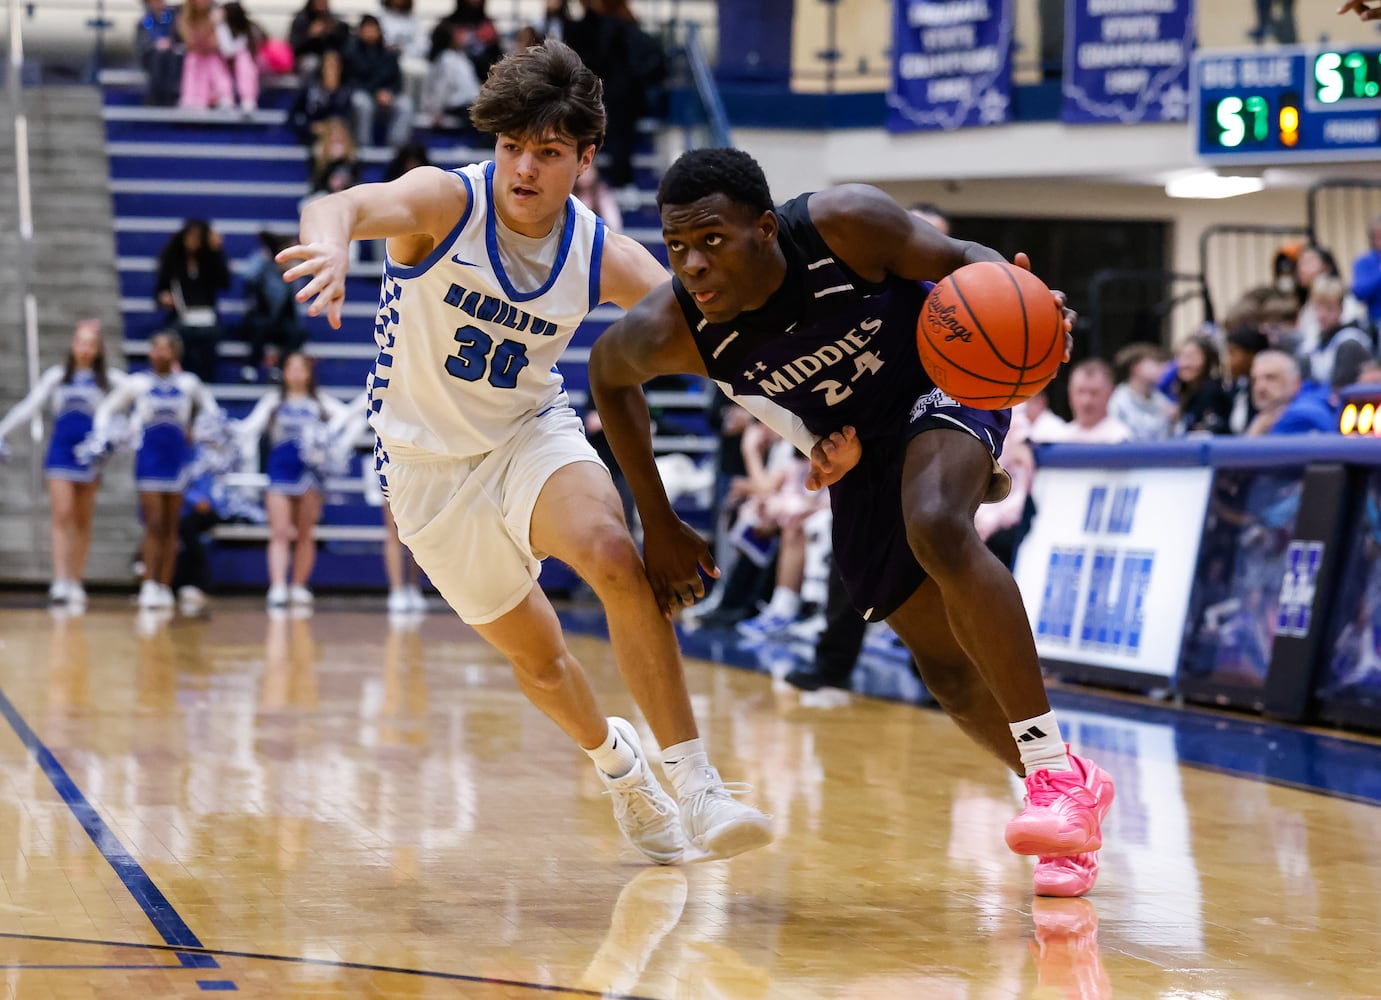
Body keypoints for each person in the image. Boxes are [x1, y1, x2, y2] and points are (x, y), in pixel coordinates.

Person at [275, 40, 775, 864]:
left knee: (614, 555)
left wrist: (803, 418)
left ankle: (699, 787)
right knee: (542, 666)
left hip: (527, 436)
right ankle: (619, 766)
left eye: (547, 153)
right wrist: (330, 244)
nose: (524, 169)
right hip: (426, 473)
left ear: (584, 158)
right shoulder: (444, 201)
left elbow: (721, 338)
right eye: (512, 148)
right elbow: (345, 206)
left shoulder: (599, 253)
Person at [587, 146, 1116, 897]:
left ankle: (1052, 777)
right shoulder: (673, 326)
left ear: (765, 229)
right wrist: (658, 520)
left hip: (944, 380)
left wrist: (1023, 297)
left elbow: (966, 257)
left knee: (934, 523)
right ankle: (1070, 787)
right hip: (860, 453)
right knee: (947, 675)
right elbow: (606, 377)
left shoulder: (843, 224)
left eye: (711, 241)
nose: (692, 264)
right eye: (676, 248)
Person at [86, 331, 223, 610]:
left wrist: (200, 431)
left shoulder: (188, 383)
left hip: (178, 460)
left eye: (166, 348)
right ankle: (149, 583)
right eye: (156, 347)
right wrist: (108, 435)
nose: (160, 352)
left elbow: (213, 411)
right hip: (149, 459)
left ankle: (164, 585)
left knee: (172, 525)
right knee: (154, 522)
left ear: (176, 354)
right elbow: (106, 409)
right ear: (149, 353)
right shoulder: (137, 383)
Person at [0, 320, 125, 609]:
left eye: (90, 344)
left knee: (83, 521)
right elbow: (29, 406)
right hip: (59, 454)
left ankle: (75, 580)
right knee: (62, 515)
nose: (84, 348)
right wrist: (3, 428)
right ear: (72, 345)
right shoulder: (57, 377)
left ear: (98, 350)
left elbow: (137, 390)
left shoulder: (108, 380)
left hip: (90, 457)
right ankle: (59, 580)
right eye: (80, 342)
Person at [236, 352, 351, 608]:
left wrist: (328, 439)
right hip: (279, 471)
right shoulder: (273, 401)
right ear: (284, 373)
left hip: (309, 473)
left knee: (304, 533)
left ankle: (299, 585)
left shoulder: (319, 402)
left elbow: (347, 416)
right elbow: (249, 428)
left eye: (302, 368)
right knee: (279, 532)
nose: (297, 373)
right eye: (292, 368)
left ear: (309, 373)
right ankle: (277, 586)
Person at [155, 218, 230, 385]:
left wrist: (217, 250)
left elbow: (225, 283)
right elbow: (159, 291)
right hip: (181, 314)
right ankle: (183, 378)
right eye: (190, 236)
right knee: (178, 337)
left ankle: (206, 380)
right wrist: (164, 297)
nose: (193, 242)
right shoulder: (172, 260)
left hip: (206, 314)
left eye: (198, 238)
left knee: (211, 336)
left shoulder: (210, 260)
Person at [1244, 349, 1339, 435]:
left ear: (1296, 383)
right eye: (1254, 380)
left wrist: (1253, 436)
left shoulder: (1301, 417)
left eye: (1271, 378)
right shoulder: (1272, 416)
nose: (1260, 387)